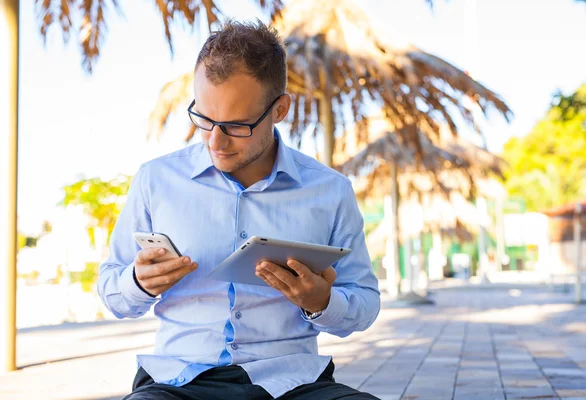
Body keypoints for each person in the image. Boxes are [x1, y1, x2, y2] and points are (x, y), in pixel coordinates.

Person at [98, 20, 381, 400]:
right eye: (204, 118)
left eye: (236, 125)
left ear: (280, 109)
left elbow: (365, 303)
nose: (216, 140)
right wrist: (138, 282)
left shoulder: (329, 191)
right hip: (178, 382)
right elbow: (111, 291)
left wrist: (322, 303)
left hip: (293, 382)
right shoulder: (156, 180)